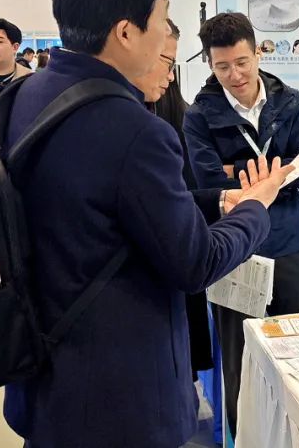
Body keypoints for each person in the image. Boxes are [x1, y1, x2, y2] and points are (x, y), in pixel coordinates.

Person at [1, 0, 290, 448]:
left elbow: (104, 208)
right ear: (126, 32)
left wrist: (214, 201)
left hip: (42, 379)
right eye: (162, 18)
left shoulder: (25, 95)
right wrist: (253, 207)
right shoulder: (134, 129)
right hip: (119, 400)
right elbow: (195, 262)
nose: (164, 36)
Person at [183, 11, 299, 436]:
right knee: (241, 364)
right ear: (210, 63)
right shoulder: (200, 115)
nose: (235, 75)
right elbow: (209, 181)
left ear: (258, 53)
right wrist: (276, 171)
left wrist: (240, 171)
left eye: (242, 62)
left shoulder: (289, 102)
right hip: (233, 252)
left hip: (287, 244)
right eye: (222, 66)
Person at [130, 19, 214, 379]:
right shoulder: (123, 121)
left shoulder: (179, 111)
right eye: (165, 61)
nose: (169, 73)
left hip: (178, 248)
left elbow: (191, 189)